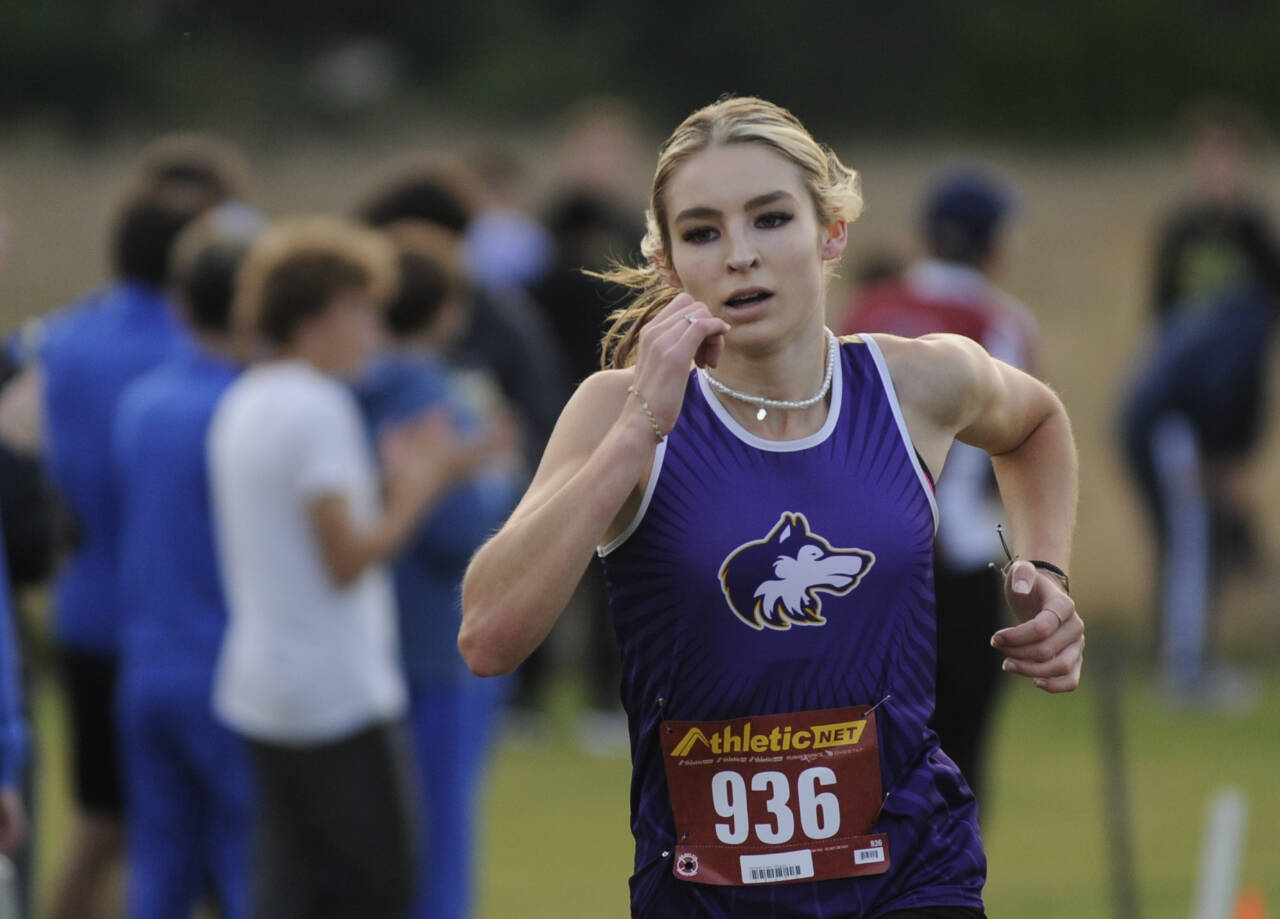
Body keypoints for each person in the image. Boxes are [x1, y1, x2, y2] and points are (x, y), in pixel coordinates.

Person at [459, 96, 1083, 918]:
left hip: (912, 872)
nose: (742, 255)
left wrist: (1043, 569)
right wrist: (638, 429)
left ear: (831, 232)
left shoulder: (918, 384)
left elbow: (1036, 422)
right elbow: (488, 637)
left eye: (771, 218)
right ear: (670, 264)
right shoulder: (617, 409)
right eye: (704, 231)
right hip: (707, 895)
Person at [207, 216, 471, 919]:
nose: (373, 332)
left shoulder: (243, 398)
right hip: (334, 694)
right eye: (359, 310)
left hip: (259, 684)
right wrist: (423, 480)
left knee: (286, 885)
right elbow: (347, 558)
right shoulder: (320, 407)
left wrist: (389, 481)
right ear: (315, 316)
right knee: (381, 886)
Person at [35, 179, 218, 919]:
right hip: (181, 617)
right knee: (193, 835)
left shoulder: (62, 336)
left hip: (85, 603)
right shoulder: (192, 353)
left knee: (98, 824)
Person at [839, 168, 1039, 810]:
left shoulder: (867, 309)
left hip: (860, 557)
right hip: (955, 557)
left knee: (863, 752)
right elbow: (1018, 435)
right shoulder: (999, 319)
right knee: (957, 755)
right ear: (994, 243)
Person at [354, 222, 520, 919]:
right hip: (435, 646)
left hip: (364, 645)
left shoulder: (346, 386)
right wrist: (496, 478)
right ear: (447, 308)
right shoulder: (433, 393)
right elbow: (457, 534)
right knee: (439, 842)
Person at [111, 205, 264, 919]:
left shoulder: (140, 403)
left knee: (160, 869)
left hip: (144, 661)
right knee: (247, 866)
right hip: (226, 665)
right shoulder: (247, 409)